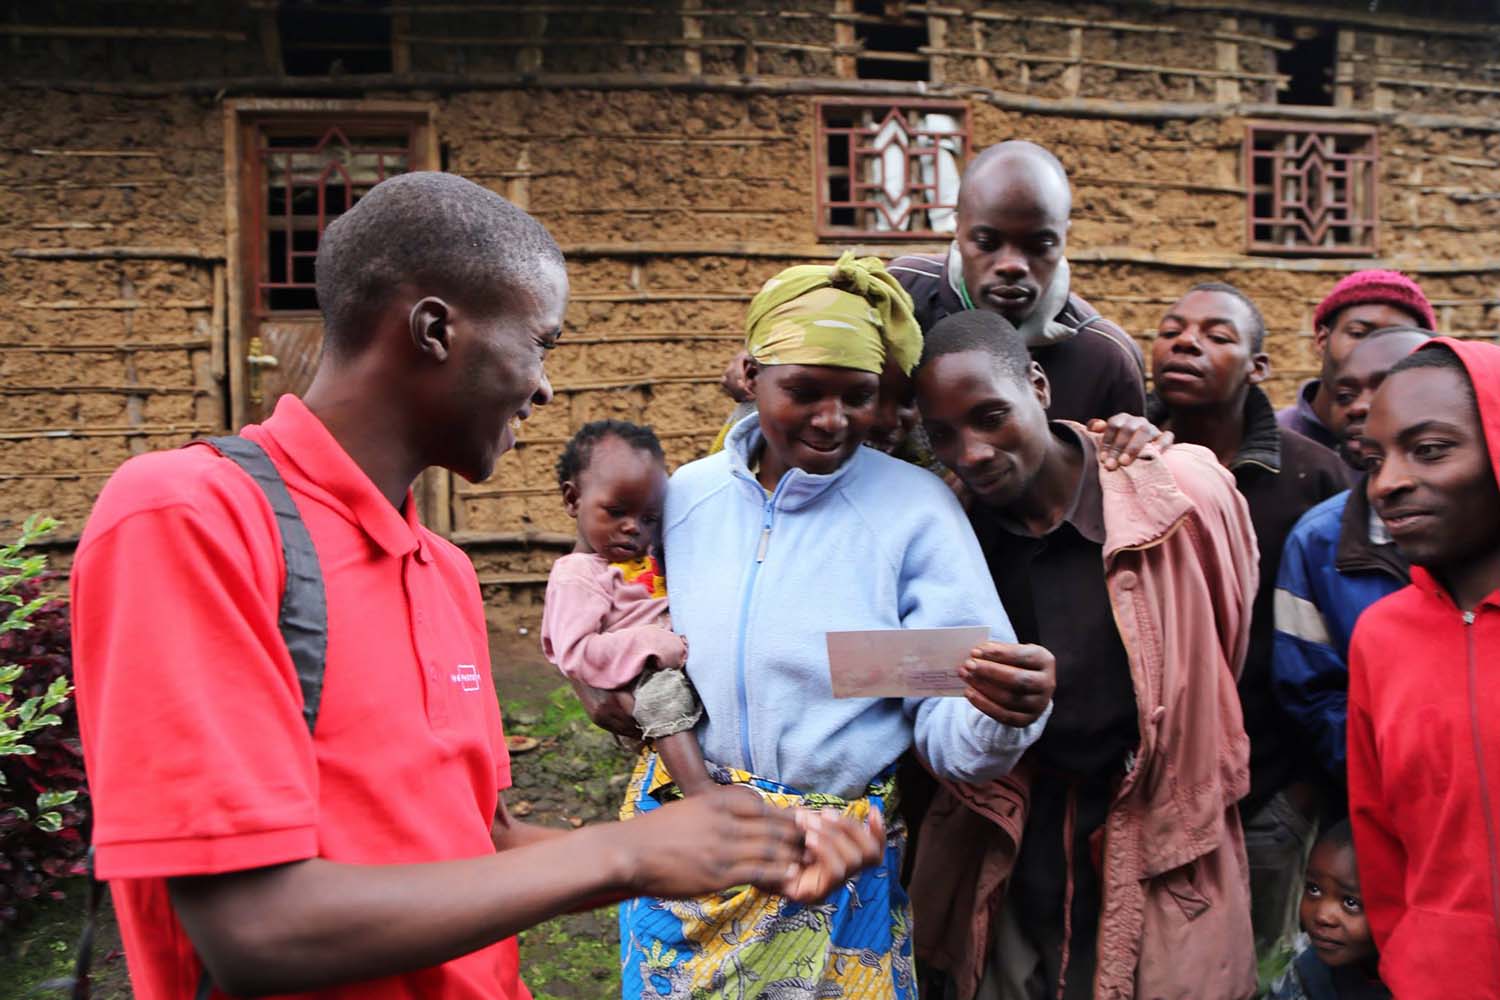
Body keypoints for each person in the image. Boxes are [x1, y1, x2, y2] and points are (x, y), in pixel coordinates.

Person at [69, 173, 883, 1000]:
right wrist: (626, 853)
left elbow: (480, 843)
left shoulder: (444, 572)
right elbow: (253, 929)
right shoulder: (189, 516)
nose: (544, 387)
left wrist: (721, 847)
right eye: (540, 344)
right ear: (433, 331)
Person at [608, 253, 1057, 999]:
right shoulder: (687, 497)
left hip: (835, 866)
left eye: (858, 396)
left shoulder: (913, 512)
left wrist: (1000, 718)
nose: (831, 419)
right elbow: (639, 625)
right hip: (691, 841)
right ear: (751, 376)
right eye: (804, 391)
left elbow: (947, 716)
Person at [910, 309, 1259, 1000]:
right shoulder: (950, 534)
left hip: (1157, 827)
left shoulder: (1179, 493)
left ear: (1038, 387)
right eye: (943, 434)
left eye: (990, 416)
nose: (972, 451)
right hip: (1017, 830)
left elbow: (1225, 635)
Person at [1147, 281, 1349, 960]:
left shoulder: (1315, 479)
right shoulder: (1116, 462)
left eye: (1216, 335)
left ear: (1259, 367)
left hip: (1267, 792)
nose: (1185, 342)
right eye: (1171, 328)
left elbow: (1340, 647)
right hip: (1143, 790)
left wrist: (1300, 794)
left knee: (1254, 966)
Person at [1346, 337, 1500, 999]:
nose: (1388, 483)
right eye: (1374, 460)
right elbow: (1379, 837)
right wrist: (1413, 953)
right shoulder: (1381, 637)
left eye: (1430, 449)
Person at [888, 139, 1145, 424]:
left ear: (1064, 236)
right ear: (958, 228)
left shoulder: (1106, 360)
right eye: (987, 243)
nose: (1012, 266)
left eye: (1039, 245)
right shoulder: (901, 296)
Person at [1272, 328, 1429, 787]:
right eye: (1344, 394)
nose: (1360, 405)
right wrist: (1404, 779)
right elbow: (1314, 696)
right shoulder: (1317, 541)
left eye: (1383, 386)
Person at [542, 420, 713, 796]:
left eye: (649, 518)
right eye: (616, 511)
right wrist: (649, 642)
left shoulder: (647, 557)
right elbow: (576, 654)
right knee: (664, 696)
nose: (633, 527)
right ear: (573, 500)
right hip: (639, 678)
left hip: (667, 657)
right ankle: (702, 792)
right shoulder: (577, 575)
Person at [1277, 270, 1436, 460]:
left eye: (1394, 339)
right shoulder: (1273, 440)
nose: (1375, 349)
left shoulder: (1426, 449)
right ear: (1322, 340)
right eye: (1358, 333)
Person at [1266, 820, 1391, 1000]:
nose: (1322, 915)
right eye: (1313, 889)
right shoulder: (1307, 969)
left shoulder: (1425, 985)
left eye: (1350, 902)